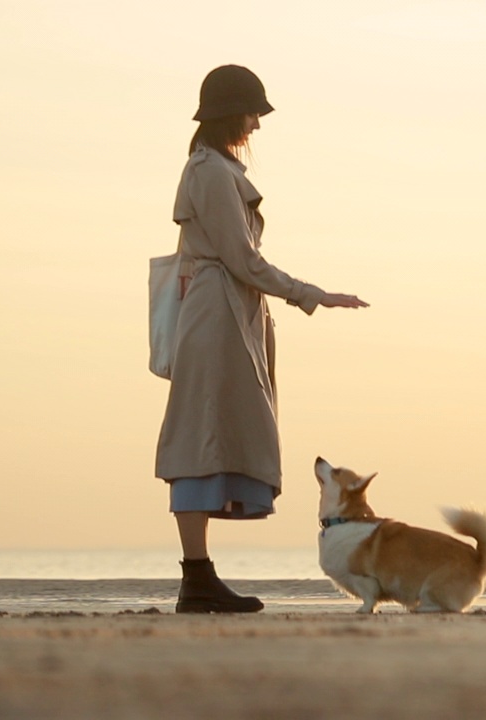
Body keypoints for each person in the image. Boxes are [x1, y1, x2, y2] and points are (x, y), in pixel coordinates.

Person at [156, 65, 368, 613]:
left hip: (231, 314)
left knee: (213, 435)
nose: (256, 123)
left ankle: (198, 578)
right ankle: (196, 578)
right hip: (216, 315)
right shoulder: (207, 171)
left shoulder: (219, 169)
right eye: (252, 112)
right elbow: (241, 258)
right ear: (230, 113)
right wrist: (309, 293)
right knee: (198, 437)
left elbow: (240, 262)